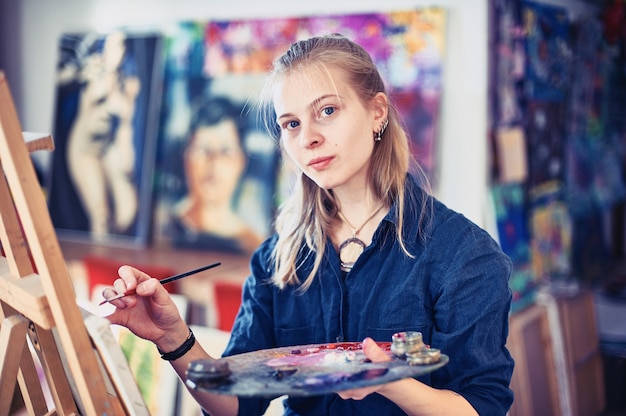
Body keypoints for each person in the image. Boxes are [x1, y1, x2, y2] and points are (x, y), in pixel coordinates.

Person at [103, 34, 514, 416]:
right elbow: (236, 405)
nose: (308, 138)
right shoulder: (277, 257)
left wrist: (388, 381)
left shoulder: (464, 255)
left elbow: (481, 406)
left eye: (328, 111)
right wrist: (172, 338)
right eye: (291, 124)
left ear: (377, 113)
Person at [65, 31, 140, 238]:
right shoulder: (93, 72)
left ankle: (115, 259)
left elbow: (126, 121)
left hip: (108, 145)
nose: (114, 51)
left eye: (119, 46)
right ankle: (98, 259)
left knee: (128, 213)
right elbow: (88, 96)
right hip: (85, 147)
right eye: (110, 46)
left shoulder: (129, 83)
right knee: (100, 213)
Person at [171, 96, 264, 253]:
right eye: (202, 149)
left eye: (226, 151)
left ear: (242, 161)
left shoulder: (254, 244)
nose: (213, 162)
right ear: (185, 156)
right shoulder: (162, 226)